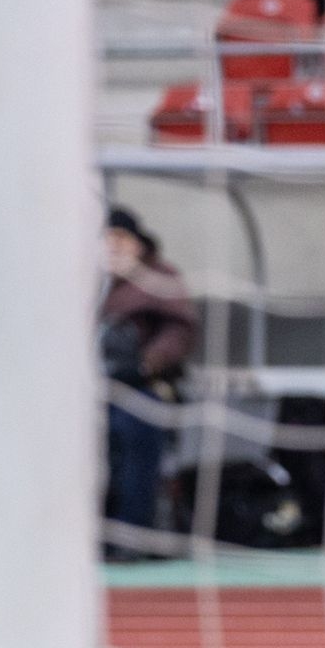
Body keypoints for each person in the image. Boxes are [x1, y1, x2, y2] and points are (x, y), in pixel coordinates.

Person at [100, 207, 195, 561]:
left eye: (121, 238)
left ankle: (132, 534)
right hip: (88, 389)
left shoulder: (158, 279)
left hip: (141, 386)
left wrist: (146, 363)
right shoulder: (85, 279)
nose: (113, 246)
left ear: (138, 243)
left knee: (135, 430)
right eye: (107, 239)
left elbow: (179, 330)